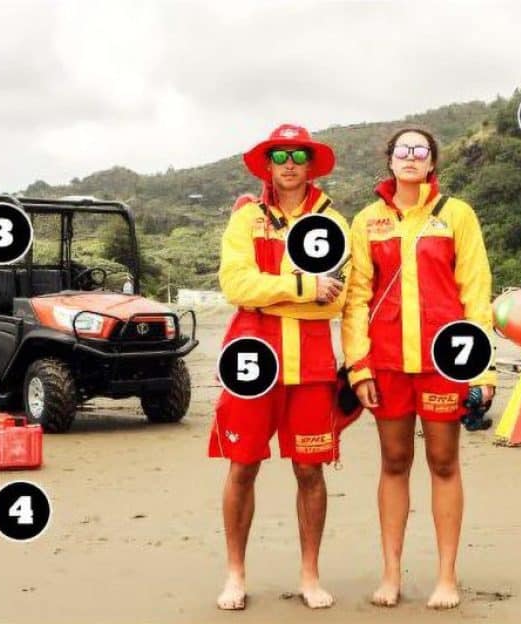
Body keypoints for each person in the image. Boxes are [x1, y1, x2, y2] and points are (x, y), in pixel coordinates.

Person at [342, 128, 496, 609]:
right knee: (393, 462)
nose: (411, 158)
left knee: (444, 463)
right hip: (386, 364)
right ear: (390, 161)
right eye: (402, 151)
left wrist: (482, 372)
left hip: (444, 363)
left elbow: (476, 292)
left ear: (432, 163)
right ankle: (391, 575)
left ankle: (447, 576)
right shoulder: (366, 221)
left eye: (420, 151)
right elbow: (355, 300)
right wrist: (358, 367)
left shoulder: (456, 215)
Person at [209, 124, 349, 611]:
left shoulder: (334, 221)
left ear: (311, 165)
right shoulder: (246, 218)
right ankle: (235, 574)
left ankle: (310, 575)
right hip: (251, 360)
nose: (289, 163)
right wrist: (303, 287)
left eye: (299, 155)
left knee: (310, 468)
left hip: (311, 364)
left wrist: (273, 294)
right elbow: (236, 285)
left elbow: (338, 301)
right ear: (267, 165)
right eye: (280, 155)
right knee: (242, 464)